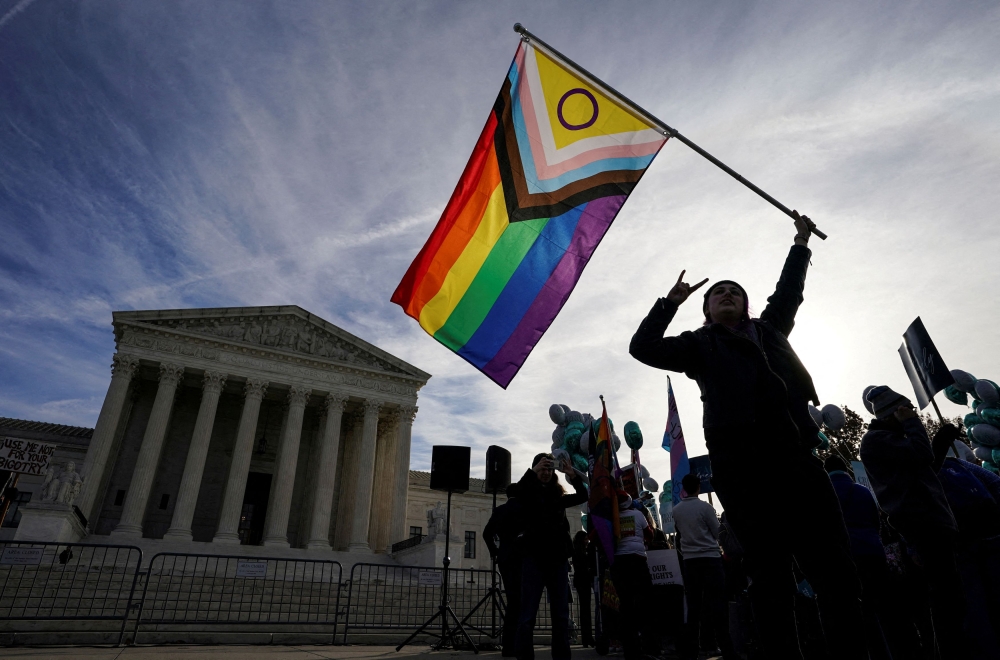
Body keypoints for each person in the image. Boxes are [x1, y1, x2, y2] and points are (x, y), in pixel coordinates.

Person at [629, 211, 866, 659]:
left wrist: (800, 243)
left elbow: (789, 291)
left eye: (735, 292)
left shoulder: (769, 330)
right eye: (718, 292)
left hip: (796, 457)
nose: (727, 295)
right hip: (743, 467)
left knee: (834, 570)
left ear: (747, 305)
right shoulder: (698, 345)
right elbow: (642, 348)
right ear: (707, 309)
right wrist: (669, 302)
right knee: (771, 576)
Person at [859, 385, 970, 658]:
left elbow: (924, 468)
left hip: (933, 522)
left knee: (950, 595)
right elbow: (921, 456)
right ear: (892, 412)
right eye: (905, 409)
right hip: (923, 524)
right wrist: (911, 424)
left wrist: (940, 443)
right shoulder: (876, 440)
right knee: (945, 597)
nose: (912, 413)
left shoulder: (894, 438)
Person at [824, 455, 921, 659]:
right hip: (873, 552)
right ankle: (906, 649)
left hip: (847, 556)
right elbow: (876, 523)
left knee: (862, 610)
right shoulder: (863, 491)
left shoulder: (825, 493)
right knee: (887, 606)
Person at [514, 453, 588, 660]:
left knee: (561, 614)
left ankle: (562, 656)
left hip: (557, 559)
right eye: (542, 468)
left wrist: (573, 475)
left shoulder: (558, 497)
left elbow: (583, 497)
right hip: (533, 557)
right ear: (535, 469)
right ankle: (524, 656)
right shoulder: (527, 493)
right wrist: (533, 471)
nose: (546, 472)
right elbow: (517, 492)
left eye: (549, 469)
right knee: (528, 613)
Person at [671, 473, 736, 660]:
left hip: (690, 561)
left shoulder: (676, 510)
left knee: (694, 607)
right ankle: (726, 648)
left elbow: (679, 534)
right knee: (718, 604)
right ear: (698, 486)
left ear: (683, 488)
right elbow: (718, 532)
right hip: (710, 559)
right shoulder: (705, 507)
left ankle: (692, 649)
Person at [609, 492, 659, 660]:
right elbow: (650, 534)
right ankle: (649, 646)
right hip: (637, 560)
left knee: (626, 605)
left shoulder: (611, 517)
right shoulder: (637, 514)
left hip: (619, 563)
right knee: (646, 603)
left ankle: (630, 648)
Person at [485, 483, 526, 656]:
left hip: (505, 558)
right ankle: (518, 644)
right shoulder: (525, 509)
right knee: (521, 602)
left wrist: (495, 552)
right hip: (522, 557)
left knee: (512, 600)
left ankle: (508, 646)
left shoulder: (500, 510)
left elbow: (486, 533)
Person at [570, 531, 595, 648]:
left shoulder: (576, 551)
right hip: (584, 581)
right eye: (586, 539)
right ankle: (588, 637)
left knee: (585, 610)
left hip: (580, 581)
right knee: (586, 610)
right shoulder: (581, 552)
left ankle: (586, 638)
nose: (587, 541)